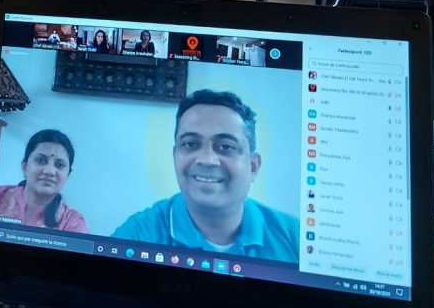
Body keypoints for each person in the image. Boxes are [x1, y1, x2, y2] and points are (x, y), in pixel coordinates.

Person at [113, 89, 299, 262]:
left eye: (226, 146)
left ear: (253, 167)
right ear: (175, 156)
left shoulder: (296, 238)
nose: (207, 160)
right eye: (190, 144)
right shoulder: (138, 234)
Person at [0, 129, 87, 232]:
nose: (49, 171)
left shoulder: (72, 222)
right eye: (41, 160)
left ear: (68, 175)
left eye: (59, 165)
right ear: (25, 166)